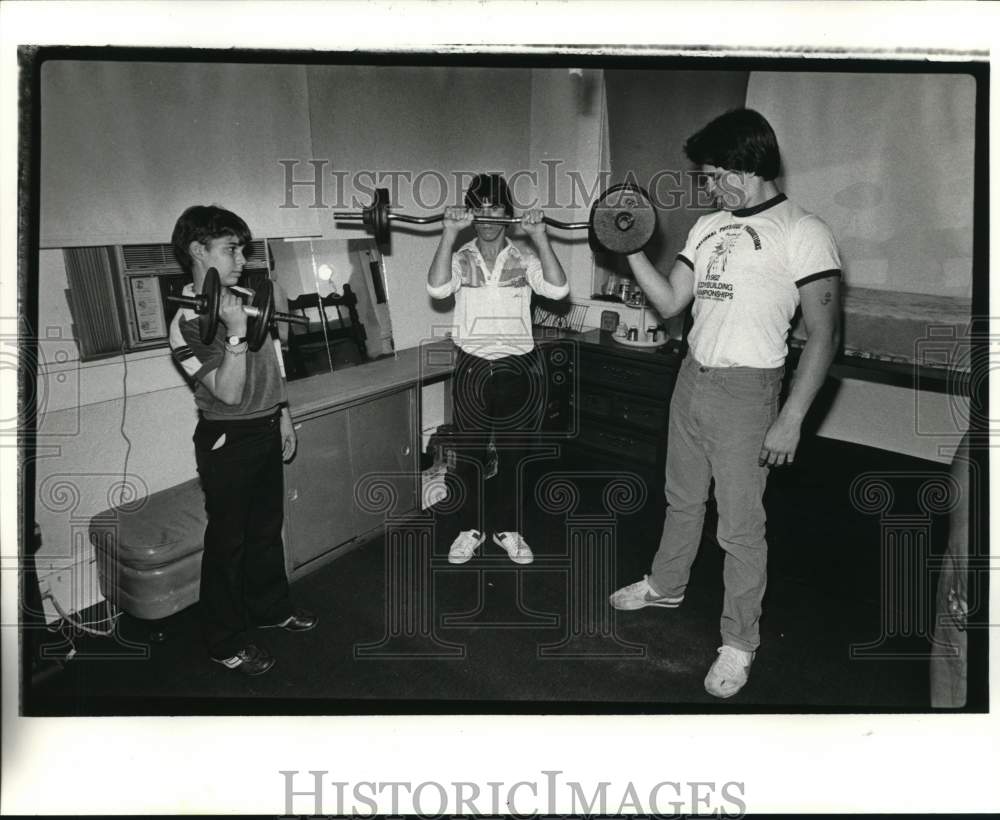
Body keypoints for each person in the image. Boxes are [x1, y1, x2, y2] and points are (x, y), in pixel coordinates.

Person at [608, 109, 842, 698]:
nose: (709, 187)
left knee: (740, 528)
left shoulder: (803, 230)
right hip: (692, 377)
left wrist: (791, 416)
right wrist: (627, 241)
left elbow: (824, 335)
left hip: (749, 390)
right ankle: (667, 584)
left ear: (748, 165)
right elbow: (668, 304)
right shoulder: (708, 226)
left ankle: (739, 642)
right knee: (681, 499)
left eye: (715, 175)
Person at [169, 205, 317, 677]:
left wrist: (285, 415)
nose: (242, 259)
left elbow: (272, 363)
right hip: (226, 440)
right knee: (228, 543)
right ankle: (224, 640)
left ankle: (271, 609)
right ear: (197, 250)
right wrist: (235, 335)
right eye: (231, 249)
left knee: (265, 530)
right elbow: (228, 393)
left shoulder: (250, 299)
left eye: (244, 250)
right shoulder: (186, 324)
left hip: (265, 428)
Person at [427, 173, 569, 565]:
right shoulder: (460, 258)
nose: (488, 217)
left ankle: (508, 529)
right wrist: (447, 234)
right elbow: (438, 289)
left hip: (517, 368)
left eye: (496, 209)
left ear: (508, 214)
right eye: (480, 209)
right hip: (473, 366)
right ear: (471, 213)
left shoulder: (525, 258)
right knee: (469, 456)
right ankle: (468, 529)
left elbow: (557, 290)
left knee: (513, 455)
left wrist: (540, 235)